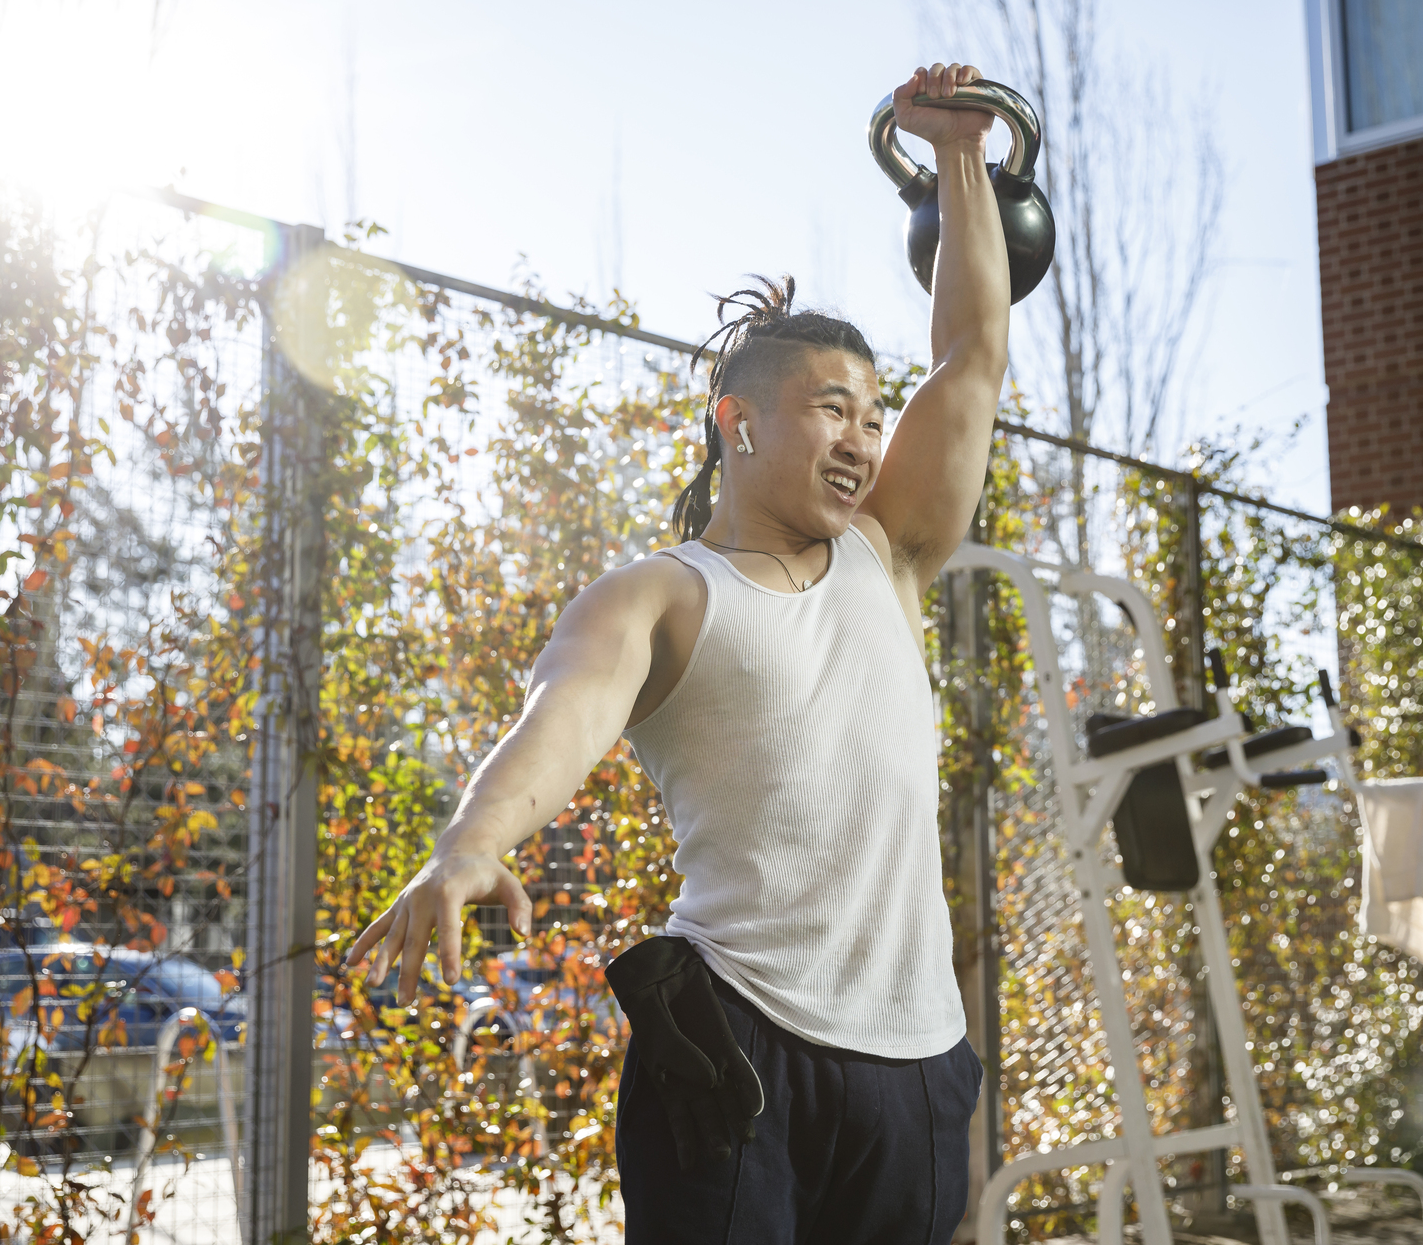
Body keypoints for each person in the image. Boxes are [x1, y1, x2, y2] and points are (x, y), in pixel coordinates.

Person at [349, 61, 1012, 1243]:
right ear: (740, 419)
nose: (863, 434)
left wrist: (959, 155)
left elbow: (971, 351)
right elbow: (557, 719)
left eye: (871, 410)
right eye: (831, 406)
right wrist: (471, 843)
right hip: (736, 1043)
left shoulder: (887, 554)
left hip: (916, 1062)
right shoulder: (662, 593)